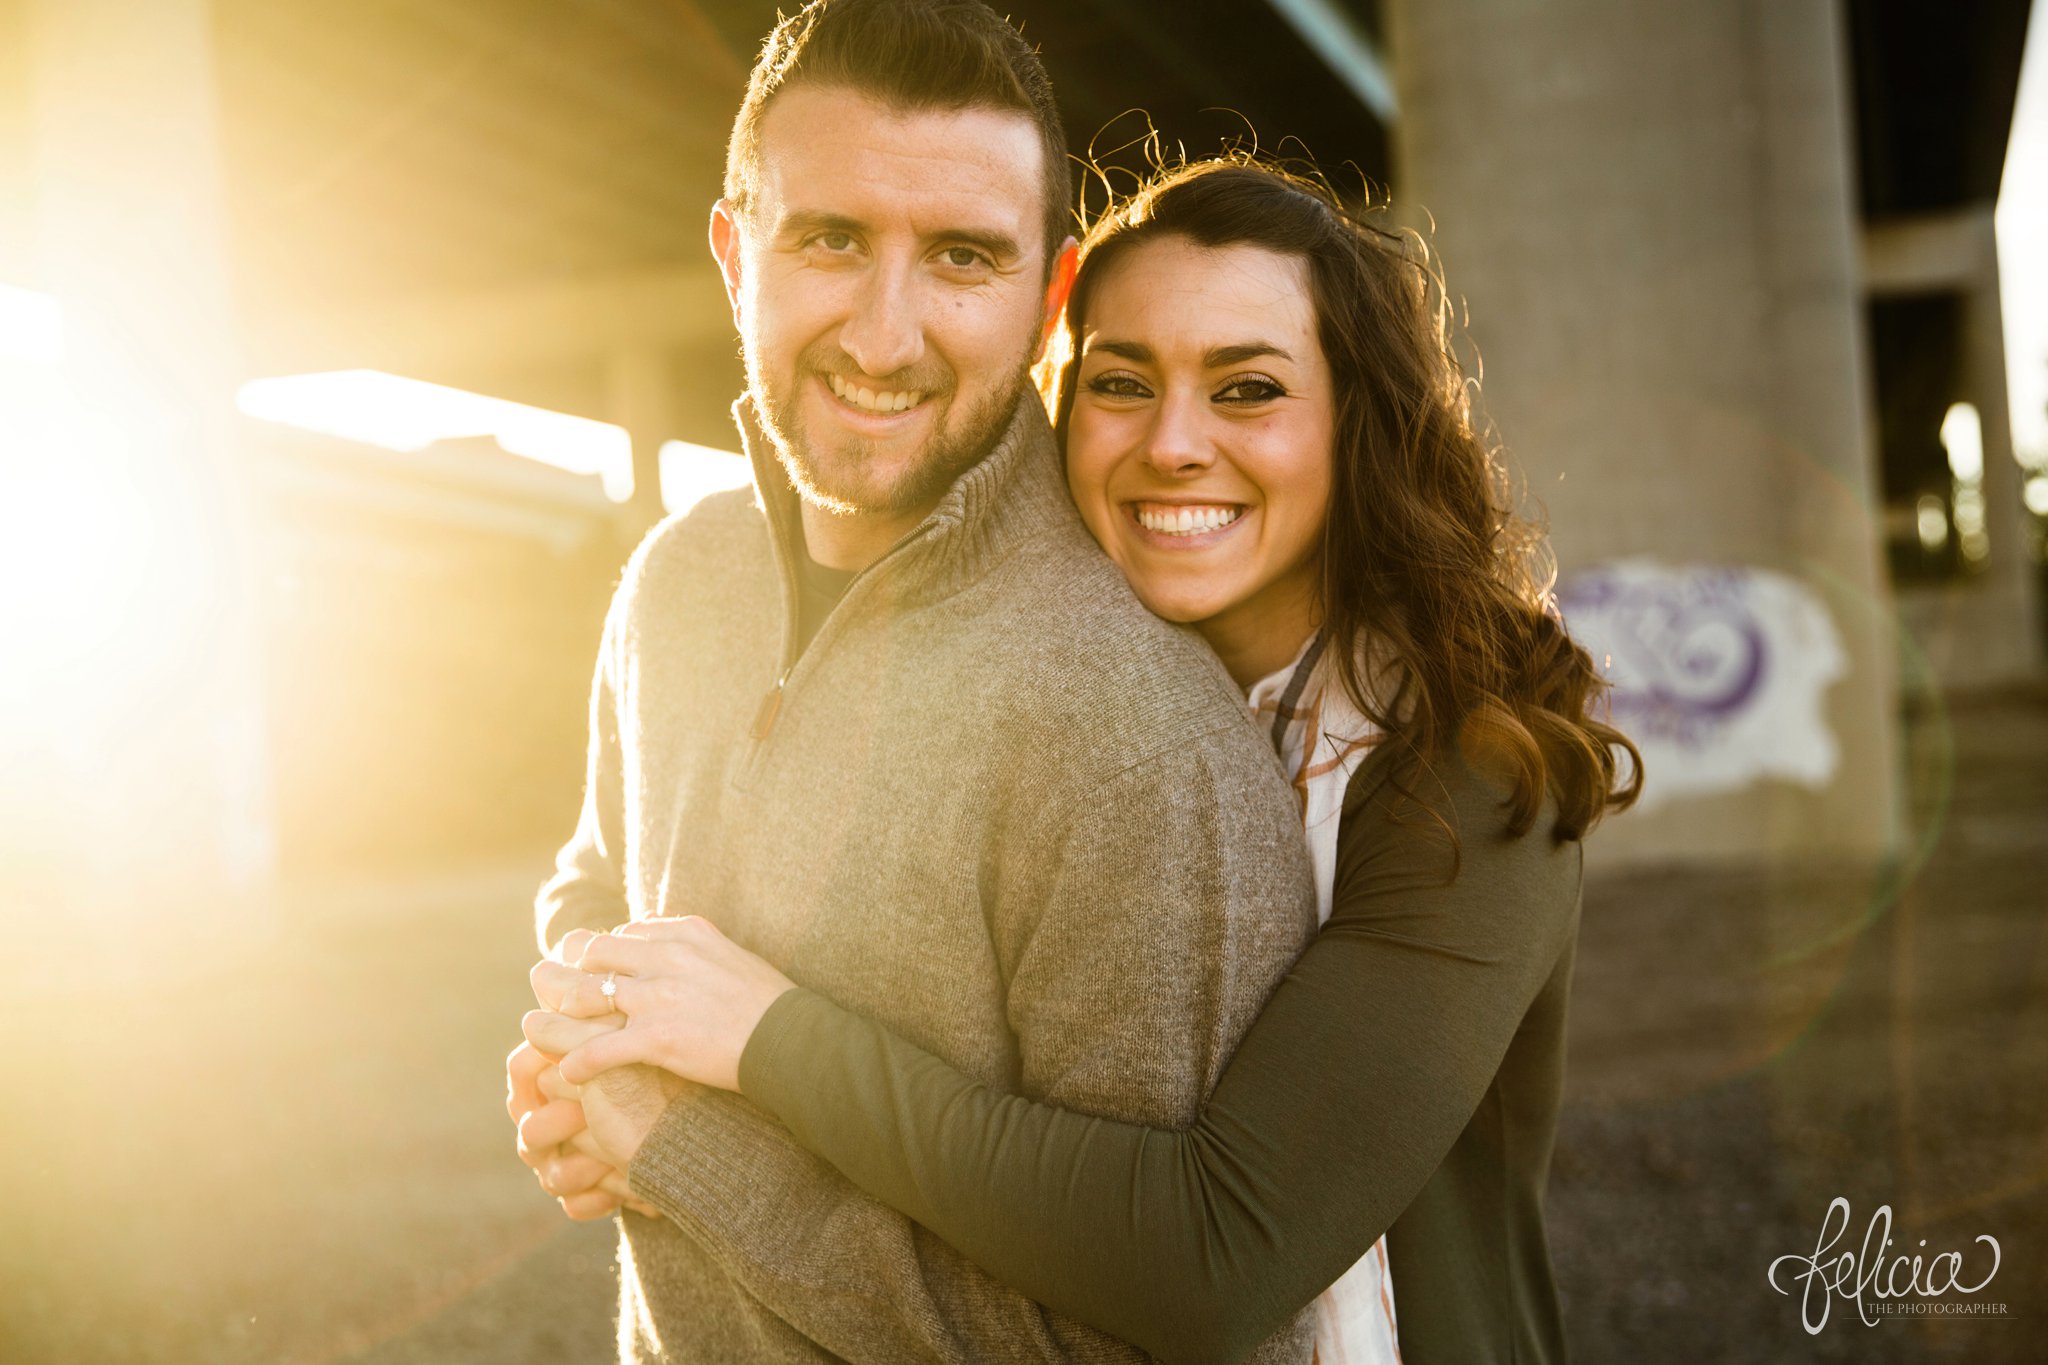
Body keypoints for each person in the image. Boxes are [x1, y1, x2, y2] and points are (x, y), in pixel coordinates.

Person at [525, 157, 1643, 1365]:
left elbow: (1219, 1251)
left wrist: (761, 1049)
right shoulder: (1036, 690)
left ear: (1354, 422)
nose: (1171, 445)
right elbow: (616, 866)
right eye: (1120, 382)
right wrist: (585, 1060)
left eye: (1246, 389)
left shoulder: (1470, 779)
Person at [502, 3, 1329, 1362]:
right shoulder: (674, 584)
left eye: (960, 257)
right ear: (733, 253)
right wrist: (573, 1049)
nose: (886, 337)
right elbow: (599, 880)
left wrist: (678, 1149)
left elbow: (1148, 1334)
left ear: (1051, 295)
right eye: (829, 239)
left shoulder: (1132, 733)